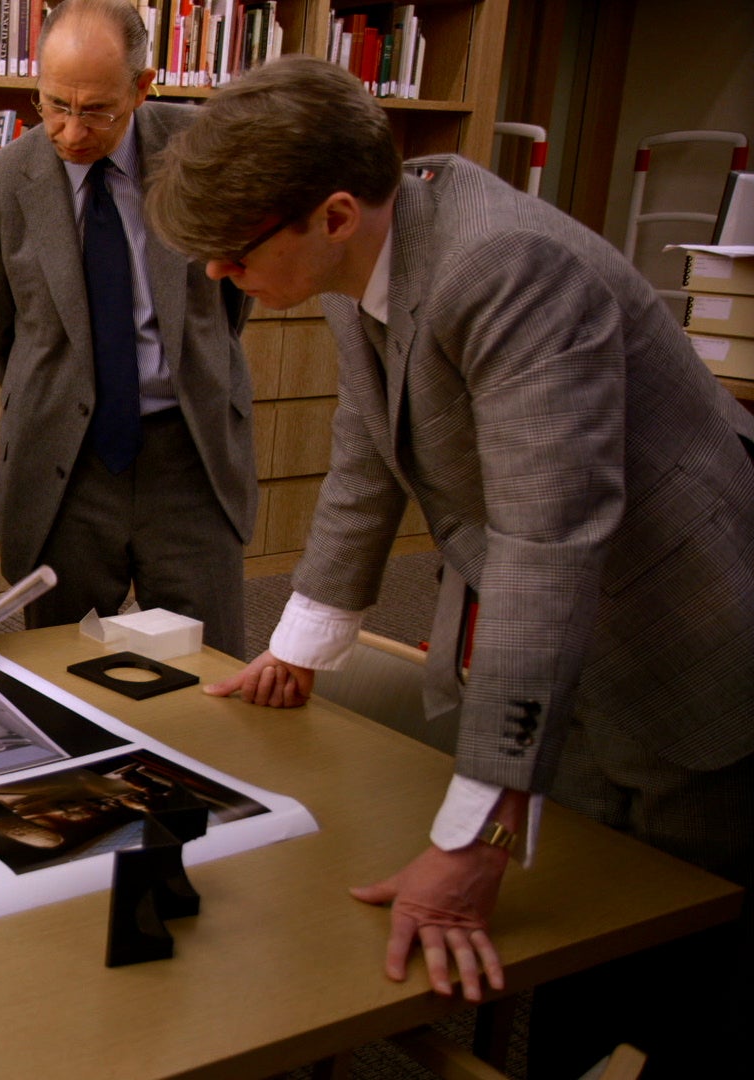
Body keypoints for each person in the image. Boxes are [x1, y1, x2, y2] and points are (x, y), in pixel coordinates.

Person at [146, 55, 754, 1072]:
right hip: (567, 645)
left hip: (679, 639)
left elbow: (546, 543)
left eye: (232, 251)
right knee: (571, 942)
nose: (216, 274)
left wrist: (472, 836)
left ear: (334, 213)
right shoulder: (364, 257)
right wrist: (301, 644)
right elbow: (366, 452)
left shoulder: (505, 267)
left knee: (675, 959)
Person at [0, 0, 255, 656]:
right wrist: (71, 394)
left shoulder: (205, 153)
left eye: (95, 110)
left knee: (209, 665)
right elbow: (0, 333)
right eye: (54, 104)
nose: (69, 130)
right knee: (66, 669)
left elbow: (231, 300)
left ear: (142, 88)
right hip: (69, 463)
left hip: (189, 452)